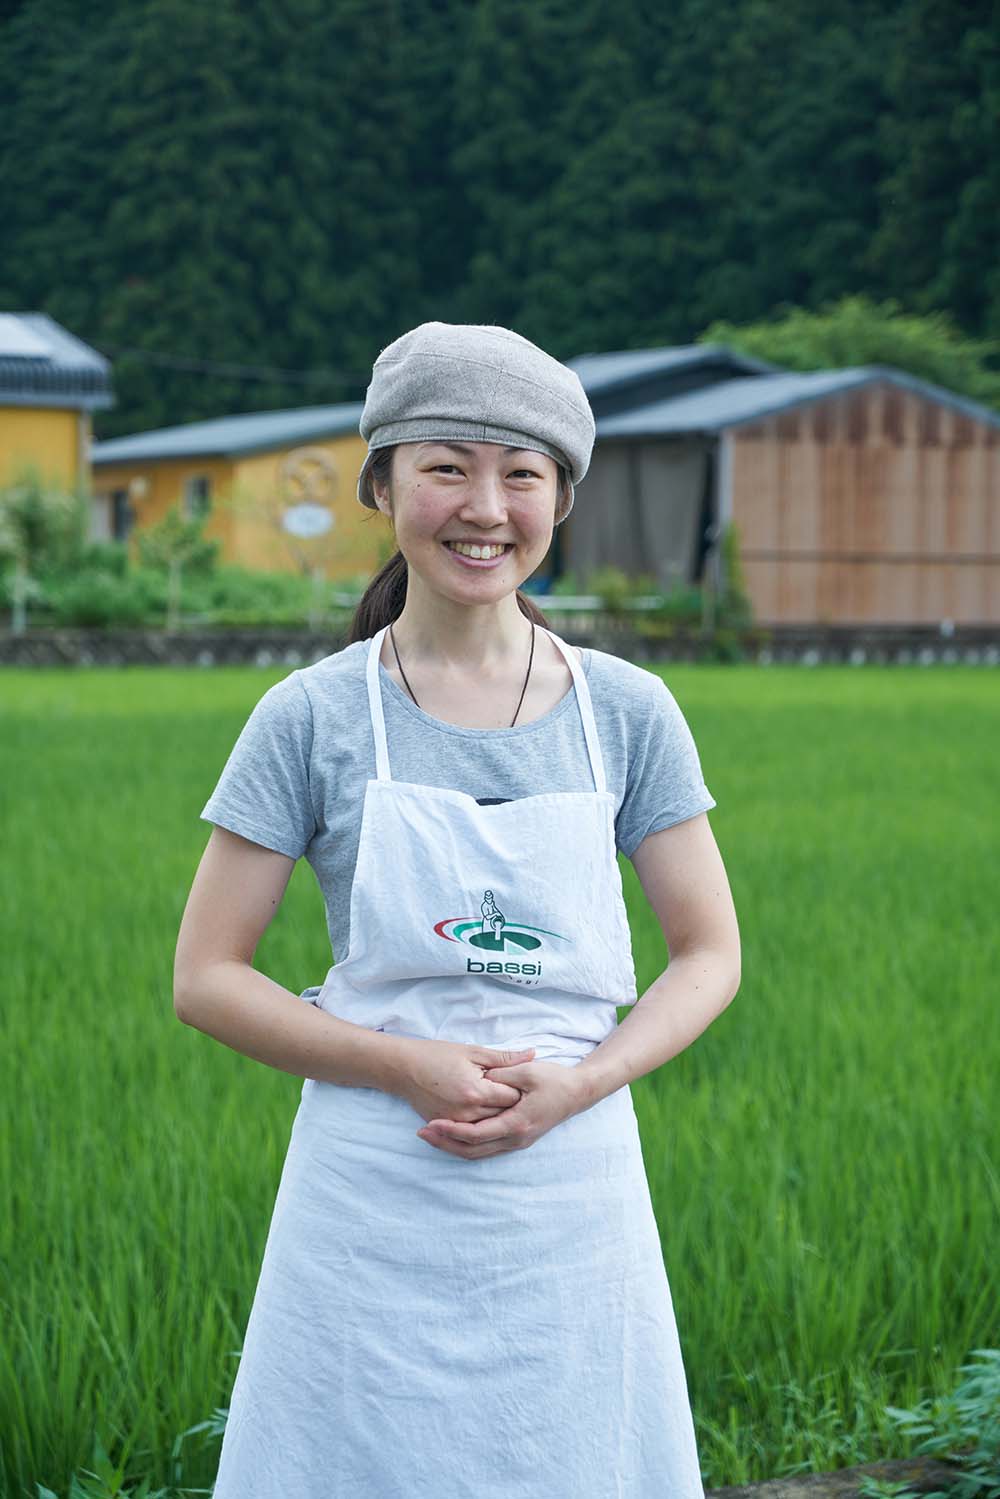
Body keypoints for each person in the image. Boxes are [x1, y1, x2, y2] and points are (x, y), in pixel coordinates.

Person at [174, 320, 741, 1498]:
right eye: (446, 466)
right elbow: (206, 976)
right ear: (382, 485)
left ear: (560, 499)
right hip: (372, 1173)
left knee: (572, 1454)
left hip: (571, 1172)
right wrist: (402, 1065)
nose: (485, 507)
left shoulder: (626, 711)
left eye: (520, 473)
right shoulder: (312, 714)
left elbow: (708, 951)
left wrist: (581, 1082)